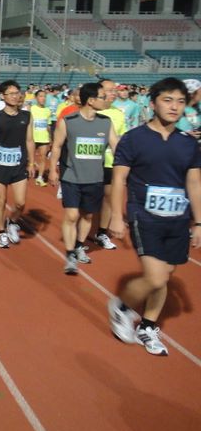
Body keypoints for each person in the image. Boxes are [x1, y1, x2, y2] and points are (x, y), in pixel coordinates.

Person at [107, 77, 201, 356]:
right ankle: (121, 306)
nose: (174, 107)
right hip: (144, 216)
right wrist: (116, 215)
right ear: (153, 104)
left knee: (166, 274)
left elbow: (194, 183)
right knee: (156, 277)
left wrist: (198, 221)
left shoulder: (188, 143)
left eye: (180, 101)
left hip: (178, 218)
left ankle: (147, 326)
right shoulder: (133, 139)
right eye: (167, 100)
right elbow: (119, 179)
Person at [49, 82, 117, 274]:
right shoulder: (68, 121)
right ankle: (70, 254)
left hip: (95, 178)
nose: (107, 100)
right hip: (71, 176)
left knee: (88, 215)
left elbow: (116, 146)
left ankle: (79, 245)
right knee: (72, 215)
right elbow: (57, 146)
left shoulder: (106, 122)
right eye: (103, 97)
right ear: (91, 100)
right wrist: (53, 169)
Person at [0, 80, 35, 248]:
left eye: (17, 93)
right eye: (11, 93)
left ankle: (12, 221)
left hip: (19, 164)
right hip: (0, 164)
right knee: (1, 199)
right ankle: (1, 232)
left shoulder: (26, 116)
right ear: (3, 96)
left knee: (20, 203)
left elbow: (30, 140)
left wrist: (31, 163)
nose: (15, 96)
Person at [93, 79, 127, 251]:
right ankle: (80, 233)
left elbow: (122, 138)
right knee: (88, 199)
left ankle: (101, 232)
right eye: (110, 90)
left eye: (115, 90)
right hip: (90, 163)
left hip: (110, 163)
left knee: (108, 197)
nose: (114, 93)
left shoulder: (118, 113)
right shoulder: (90, 111)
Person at [30, 90, 52, 186]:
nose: (43, 98)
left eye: (44, 96)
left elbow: (48, 125)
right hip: (32, 138)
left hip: (44, 138)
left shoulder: (47, 110)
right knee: (28, 157)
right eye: (41, 96)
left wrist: (50, 138)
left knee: (43, 158)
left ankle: (40, 177)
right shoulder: (31, 109)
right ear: (36, 98)